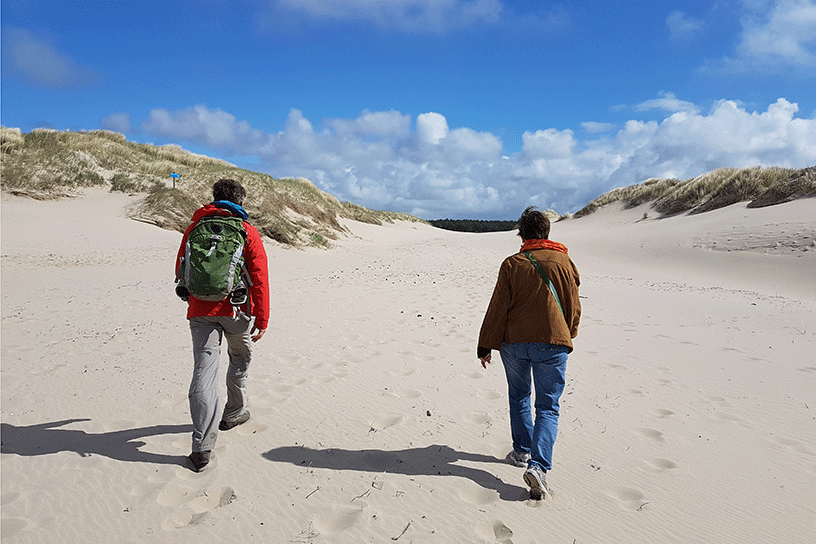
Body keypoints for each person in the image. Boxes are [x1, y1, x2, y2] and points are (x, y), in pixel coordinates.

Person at [477, 206, 581, 499]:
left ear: (522, 236)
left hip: (514, 343)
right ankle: (538, 467)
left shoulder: (512, 263)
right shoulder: (565, 262)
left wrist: (485, 344)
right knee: (547, 406)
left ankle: (522, 451)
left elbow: (498, 307)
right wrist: (568, 333)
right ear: (547, 233)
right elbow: (573, 305)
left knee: (519, 395)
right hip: (553, 342)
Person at [175, 179, 270, 472]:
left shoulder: (195, 227)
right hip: (237, 311)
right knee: (240, 357)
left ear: (214, 198)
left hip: (200, 311)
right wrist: (263, 318)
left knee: (203, 373)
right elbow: (259, 277)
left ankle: (201, 448)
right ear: (240, 201)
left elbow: (180, 267)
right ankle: (233, 413)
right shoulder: (246, 231)